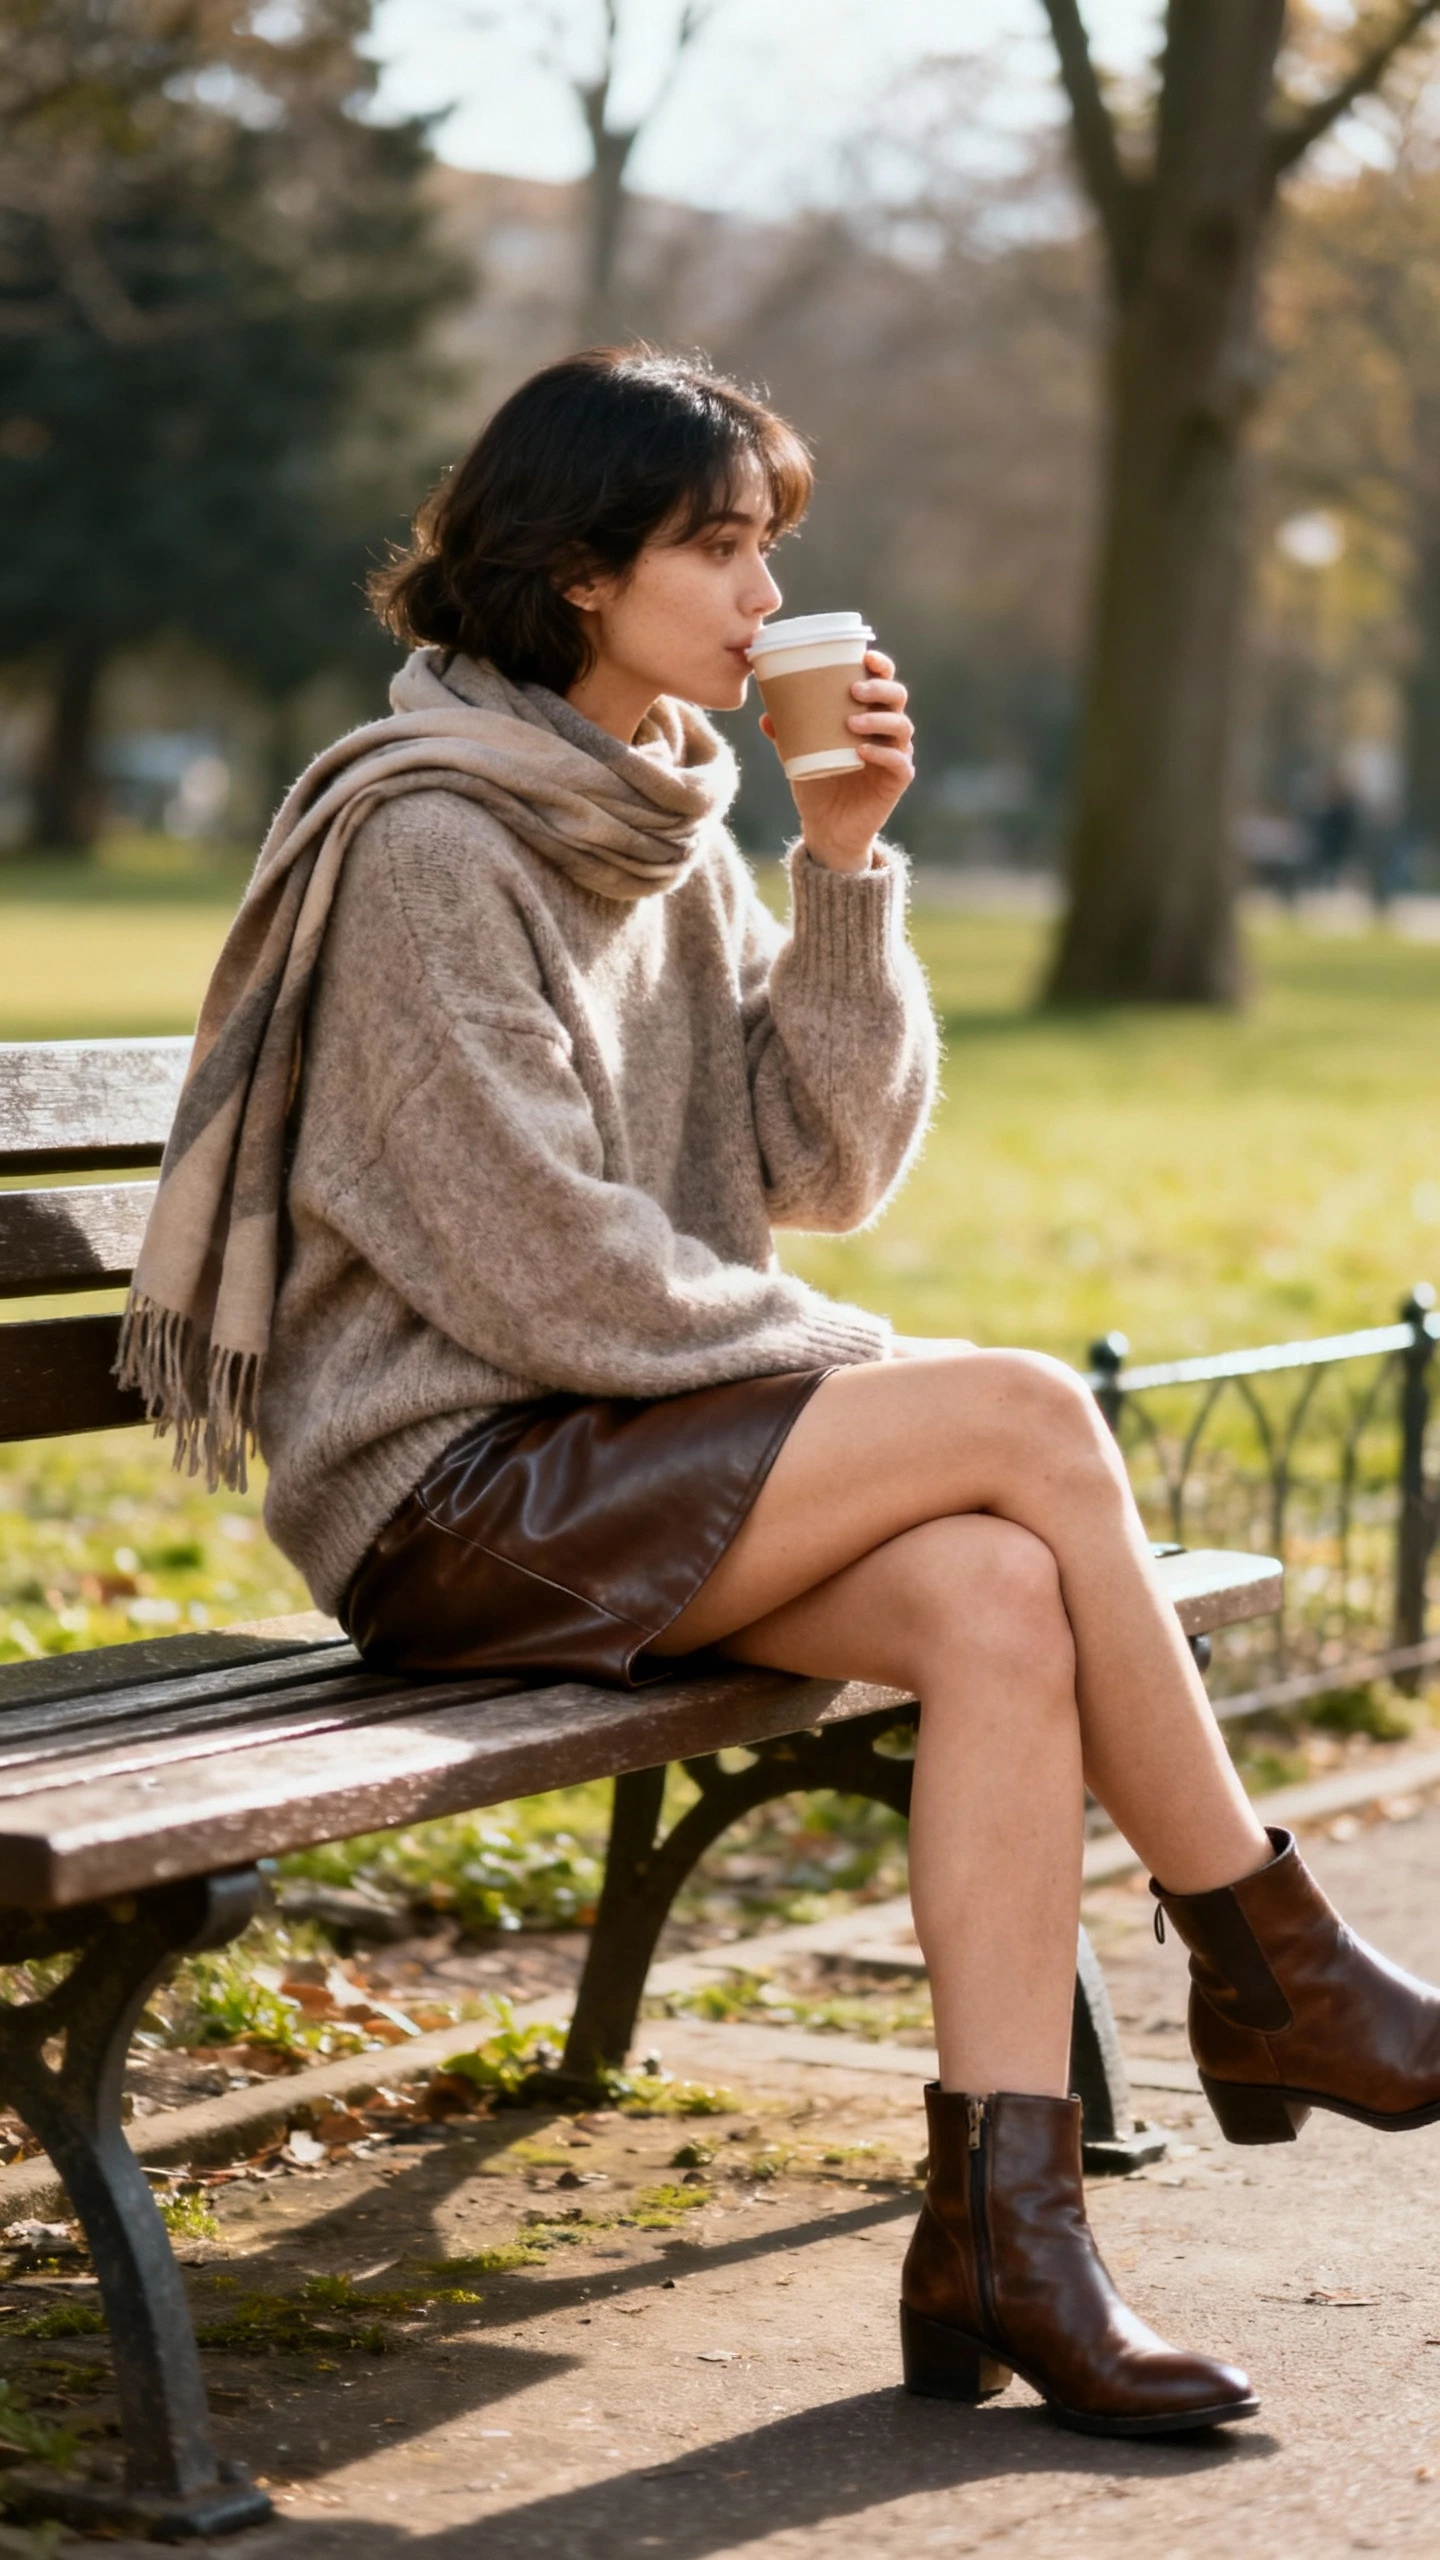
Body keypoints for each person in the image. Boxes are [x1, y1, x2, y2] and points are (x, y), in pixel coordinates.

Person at [120, 347, 1440, 2442]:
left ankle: (1008, 2238)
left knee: (997, 1593)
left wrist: (843, 861)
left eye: (772, 550)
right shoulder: (433, 840)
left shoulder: (666, 811)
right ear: (579, 571)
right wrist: (886, 1375)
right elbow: (537, 1267)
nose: (768, 596)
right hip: (451, 1492)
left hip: (614, 1447)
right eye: (720, 549)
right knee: (1022, 1418)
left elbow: (822, 1168)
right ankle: (1274, 1963)